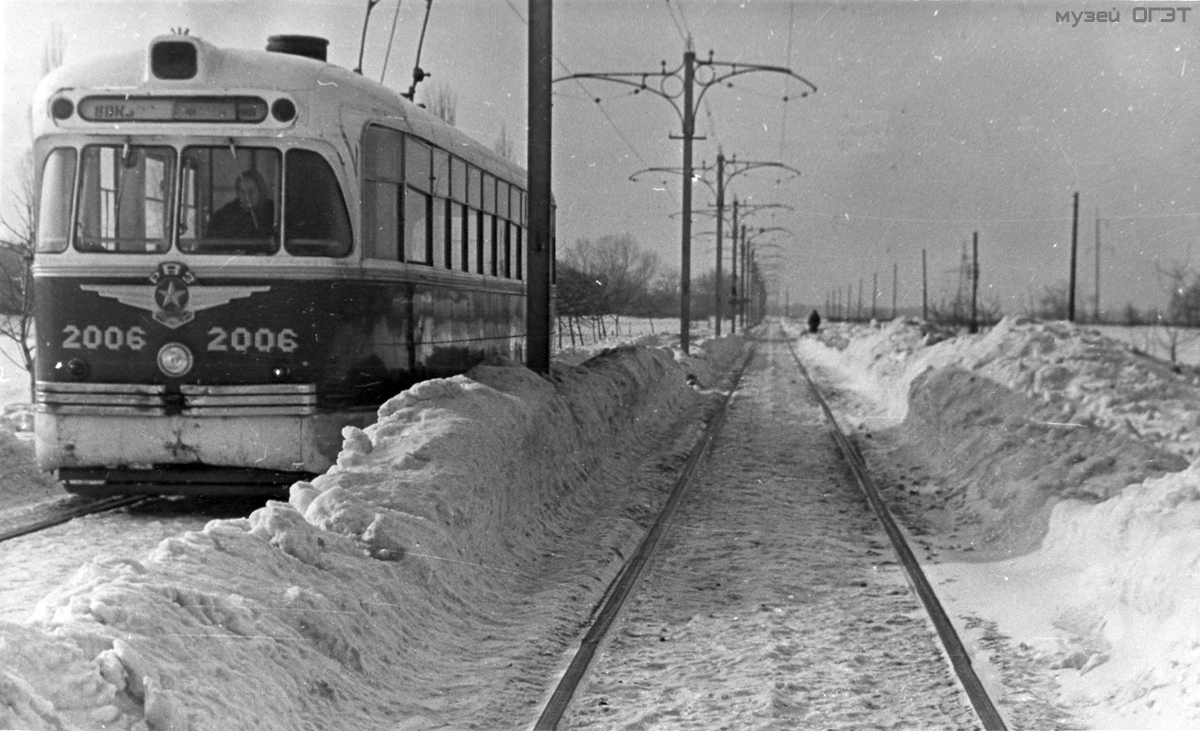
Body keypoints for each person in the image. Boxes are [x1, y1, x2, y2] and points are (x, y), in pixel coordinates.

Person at [206, 170, 274, 240]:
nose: (247, 196)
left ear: (260, 191)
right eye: (242, 191)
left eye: (251, 191)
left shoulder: (273, 212)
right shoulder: (224, 216)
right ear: (238, 193)